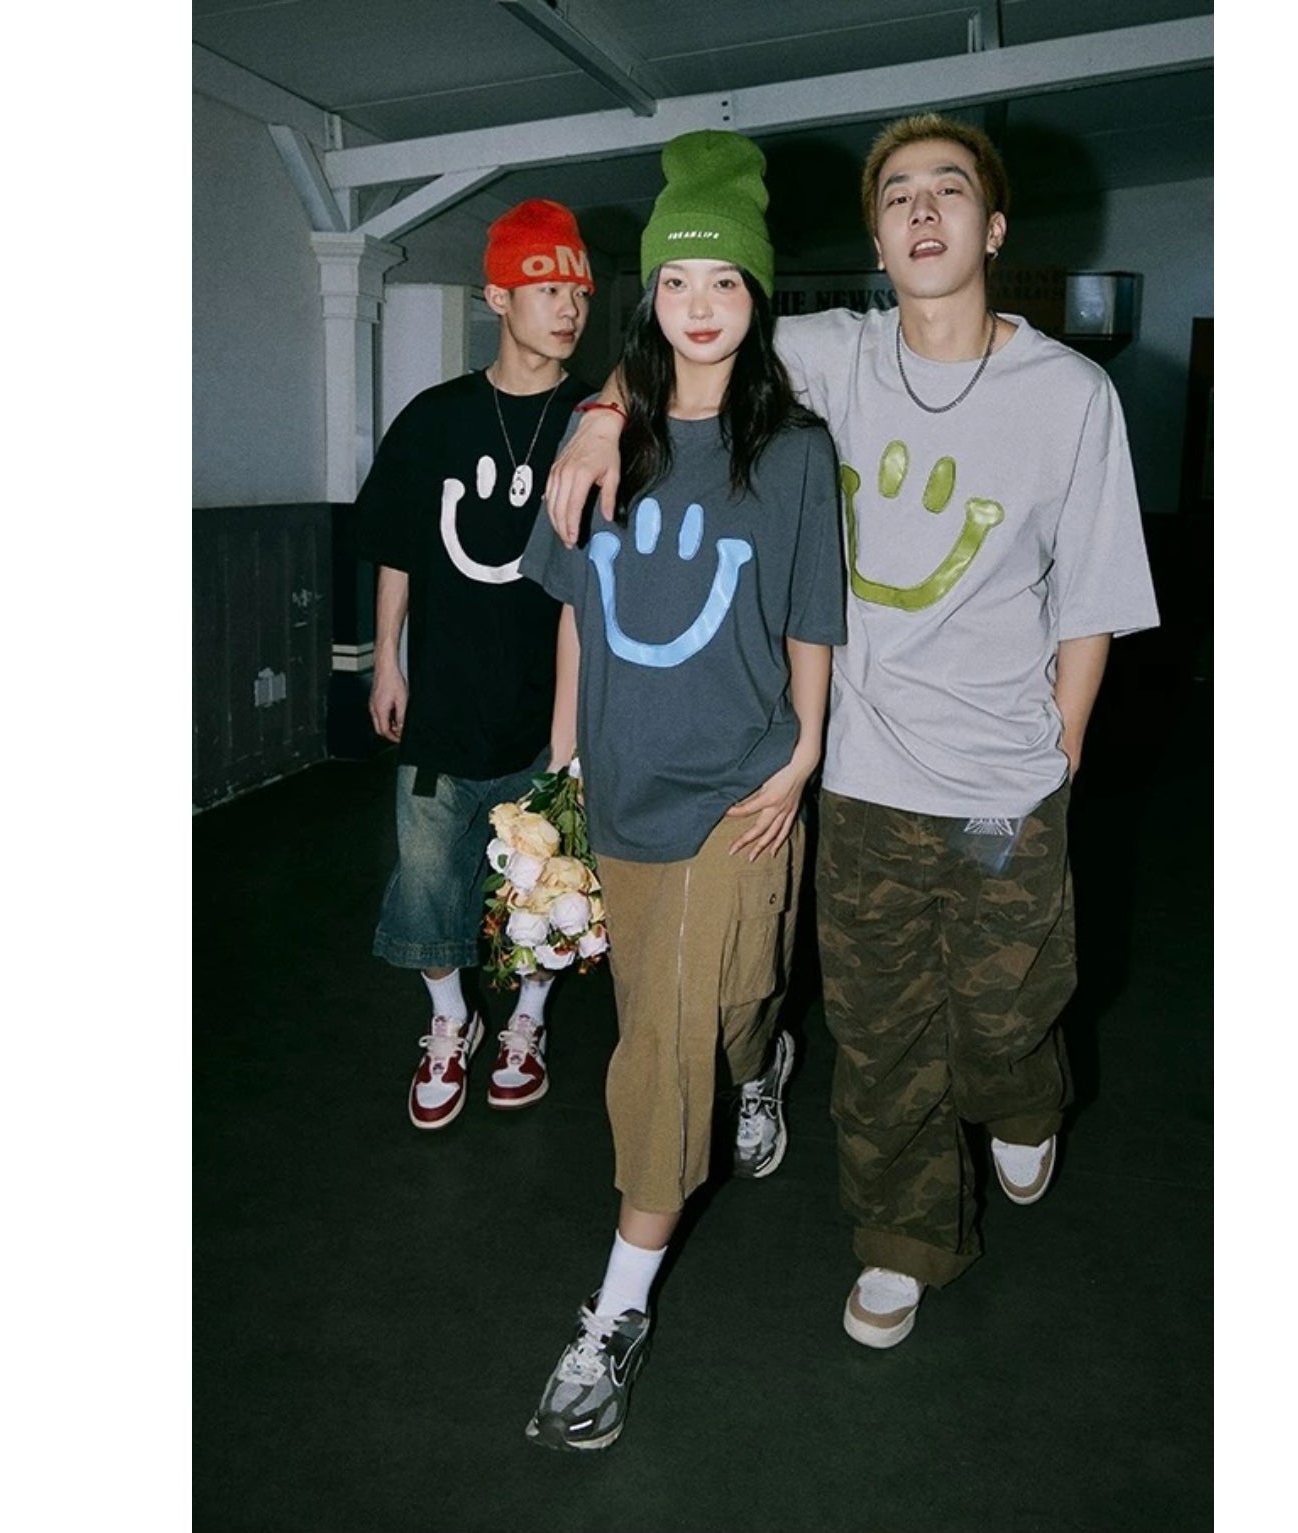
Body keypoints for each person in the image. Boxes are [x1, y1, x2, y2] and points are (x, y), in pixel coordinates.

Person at [543, 115, 1160, 1349]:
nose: (923, 210)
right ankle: (902, 1241)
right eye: (897, 196)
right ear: (877, 243)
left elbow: (1092, 601)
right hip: (865, 778)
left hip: (1006, 780)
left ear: (994, 228)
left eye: (950, 190)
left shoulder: (1072, 396)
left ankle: (1023, 1093)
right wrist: (602, 415)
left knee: (1002, 1015)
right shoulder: (833, 353)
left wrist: (1063, 755)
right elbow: (688, 326)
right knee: (881, 1040)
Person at [517, 129, 845, 1449]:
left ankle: (612, 1316)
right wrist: (561, 763)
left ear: (757, 295)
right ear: (648, 297)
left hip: (741, 788)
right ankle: (765, 1056)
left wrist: (803, 752)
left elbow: (811, 617)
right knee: (707, 1007)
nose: (699, 306)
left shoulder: (798, 449)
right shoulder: (603, 444)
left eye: (722, 280)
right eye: (674, 281)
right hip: (626, 784)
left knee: (658, 1052)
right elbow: (574, 608)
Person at [355, 199, 596, 1130]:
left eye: (578, 290)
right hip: (444, 703)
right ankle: (451, 1021)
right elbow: (399, 546)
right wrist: (386, 660)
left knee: (548, 885)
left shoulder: (595, 420)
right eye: (548, 288)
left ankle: (526, 1022)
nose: (568, 306)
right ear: (498, 297)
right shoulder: (437, 417)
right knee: (425, 881)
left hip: (551, 706)